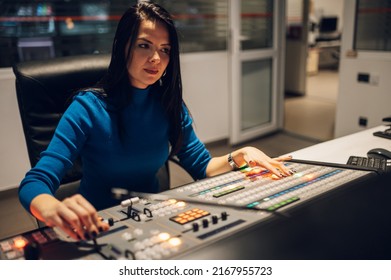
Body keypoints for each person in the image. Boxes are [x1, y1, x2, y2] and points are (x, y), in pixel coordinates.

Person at [18, 2, 293, 242]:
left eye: (165, 49)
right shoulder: (87, 108)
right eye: (144, 45)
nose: (156, 59)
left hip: (155, 220)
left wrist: (239, 156)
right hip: (98, 225)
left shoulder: (169, 104)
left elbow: (202, 166)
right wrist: (52, 208)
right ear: (122, 47)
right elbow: (35, 182)